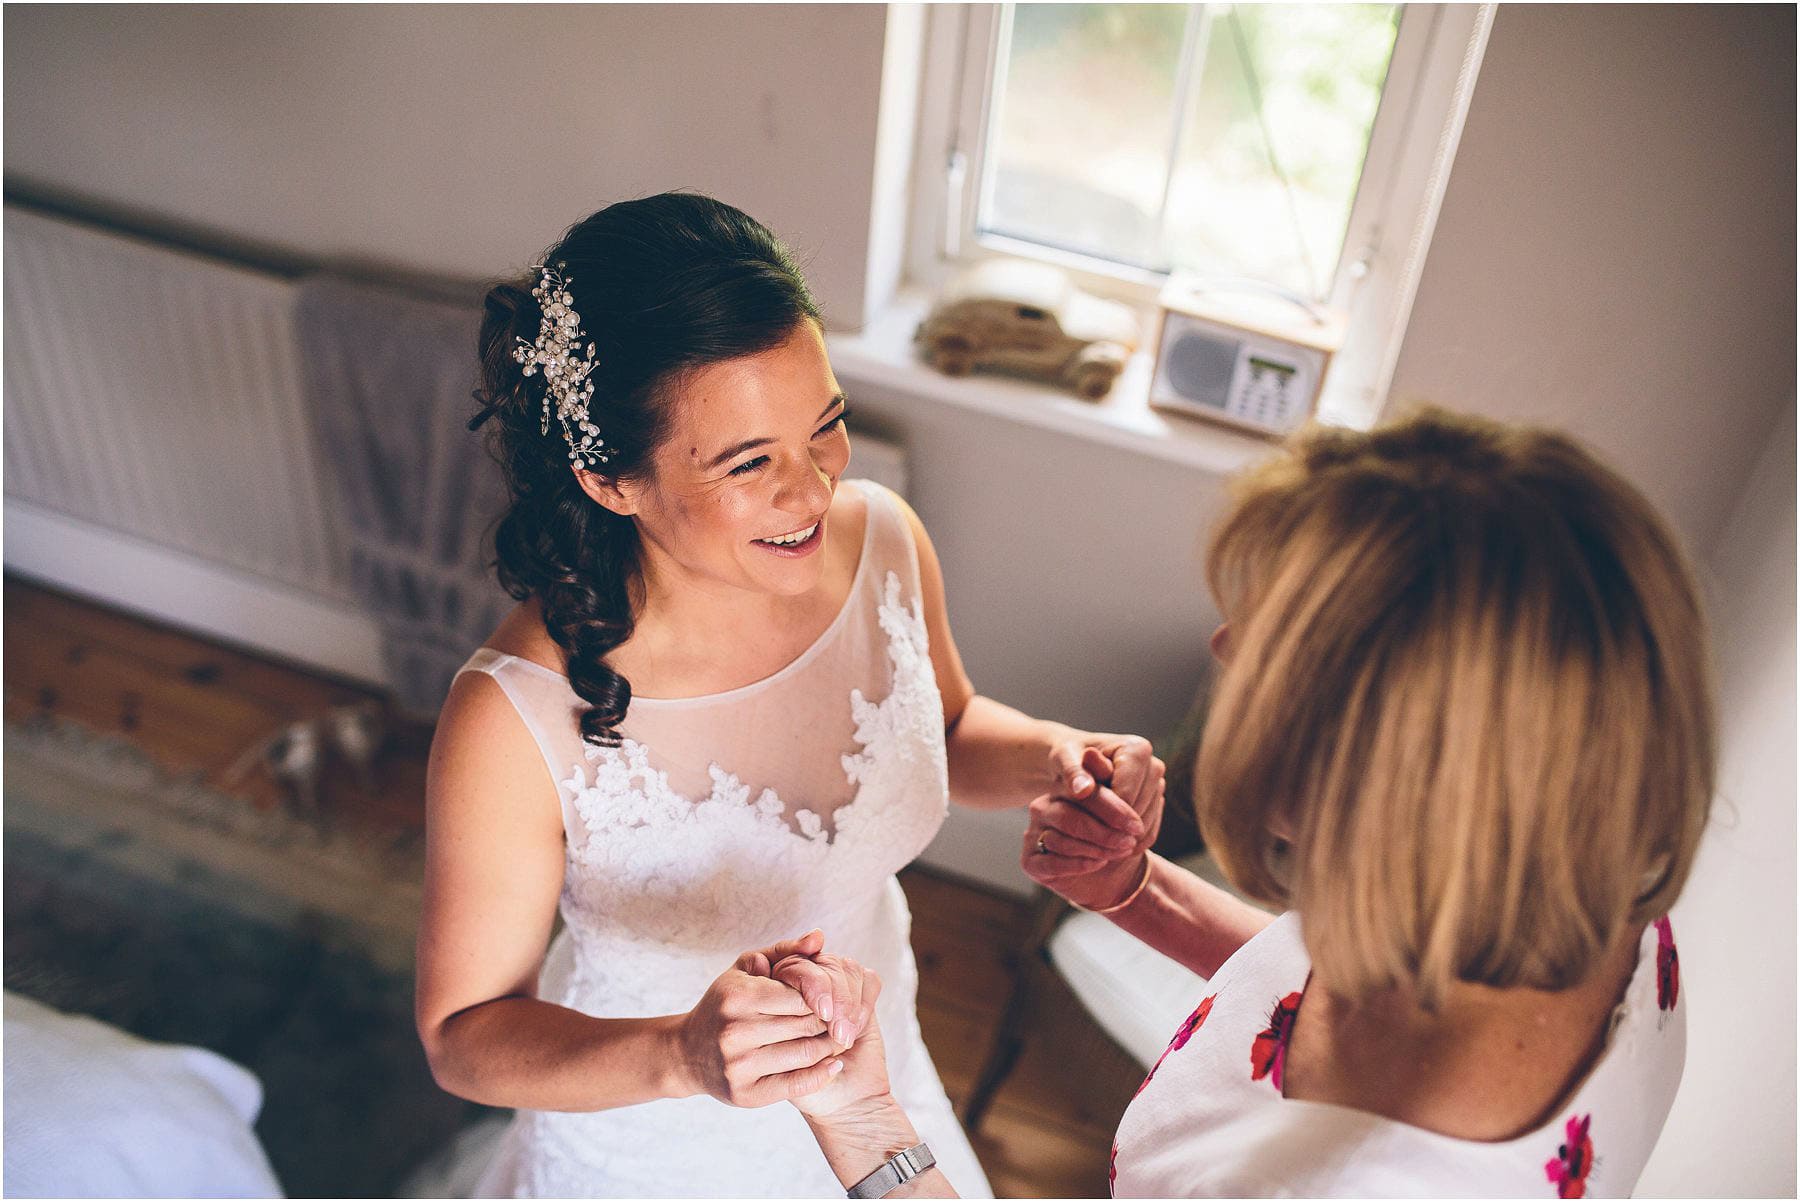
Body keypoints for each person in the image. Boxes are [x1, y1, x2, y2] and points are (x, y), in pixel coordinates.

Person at [413, 192, 1164, 1198]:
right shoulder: (511, 715)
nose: (812, 491)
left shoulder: (882, 540)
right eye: (748, 461)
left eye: (825, 428)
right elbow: (465, 1036)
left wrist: (1056, 759)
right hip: (653, 1134)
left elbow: (942, 725)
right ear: (610, 479)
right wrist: (680, 1055)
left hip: (876, 1069)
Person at [790, 408, 1714, 1199]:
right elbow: (1307, 1002)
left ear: (1383, 765)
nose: (1225, 647)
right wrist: (1131, 890)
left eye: (1271, 645)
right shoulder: (1587, 902)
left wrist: (866, 1122)